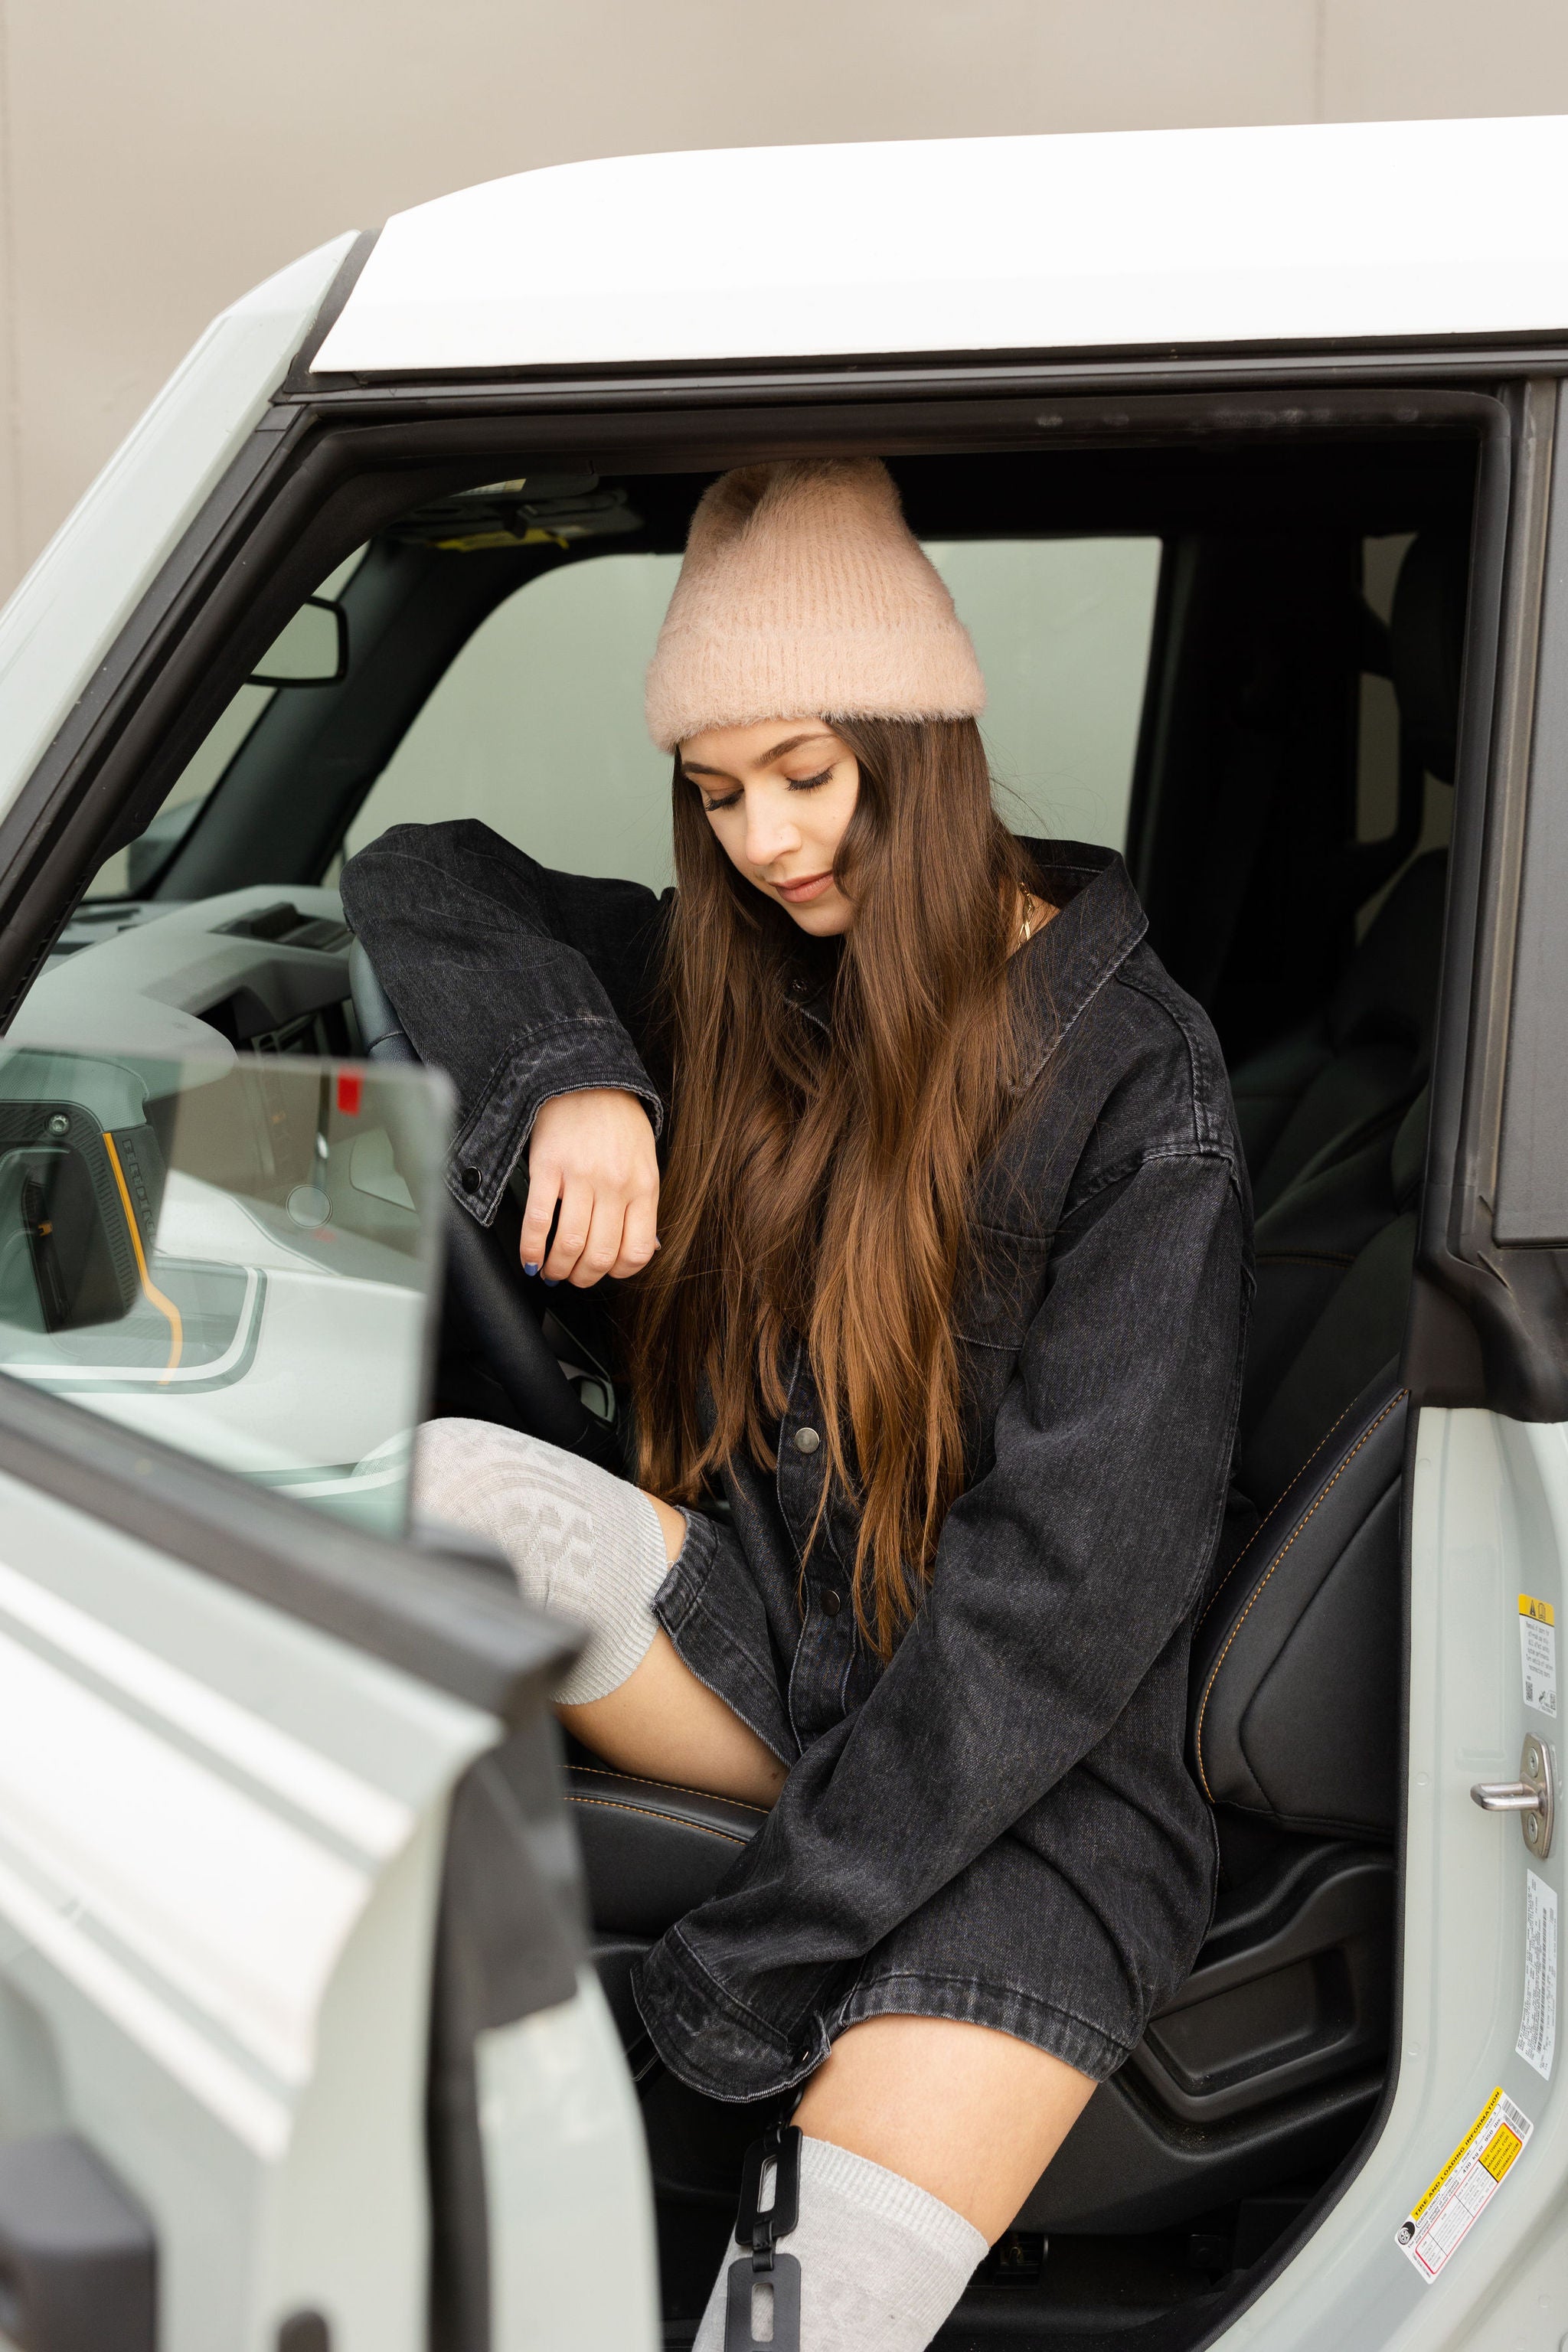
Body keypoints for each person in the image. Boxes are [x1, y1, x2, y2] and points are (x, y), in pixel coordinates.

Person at [341, 457, 1253, 2352]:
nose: (761, 839)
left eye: (805, 773)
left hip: (1034, 1792)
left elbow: (1047, 1621)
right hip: (787, 1646)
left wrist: (750, 1953)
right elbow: (418, 873)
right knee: (430, 1484)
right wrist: (580, 1071)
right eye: (717, 789)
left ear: (917, 743)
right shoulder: (754, 985)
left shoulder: (1139, 1096)